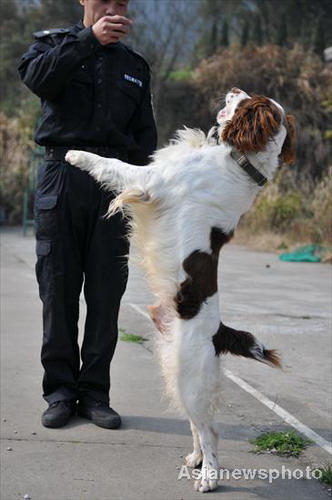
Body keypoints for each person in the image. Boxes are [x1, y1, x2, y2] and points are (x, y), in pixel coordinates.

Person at [18, 0, 157, 429]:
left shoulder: (135, 65)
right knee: (57, 291)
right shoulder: (52, 46)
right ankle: (59, 393)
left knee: (104, 295)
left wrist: (148, 189)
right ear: (84, 0)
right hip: (64, 175)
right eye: (104, 1)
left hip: (115, 184)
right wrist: (87, 40)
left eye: (121, 3)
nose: (113, 9)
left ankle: (96, 394)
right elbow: (39, 81)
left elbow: (143, 135)